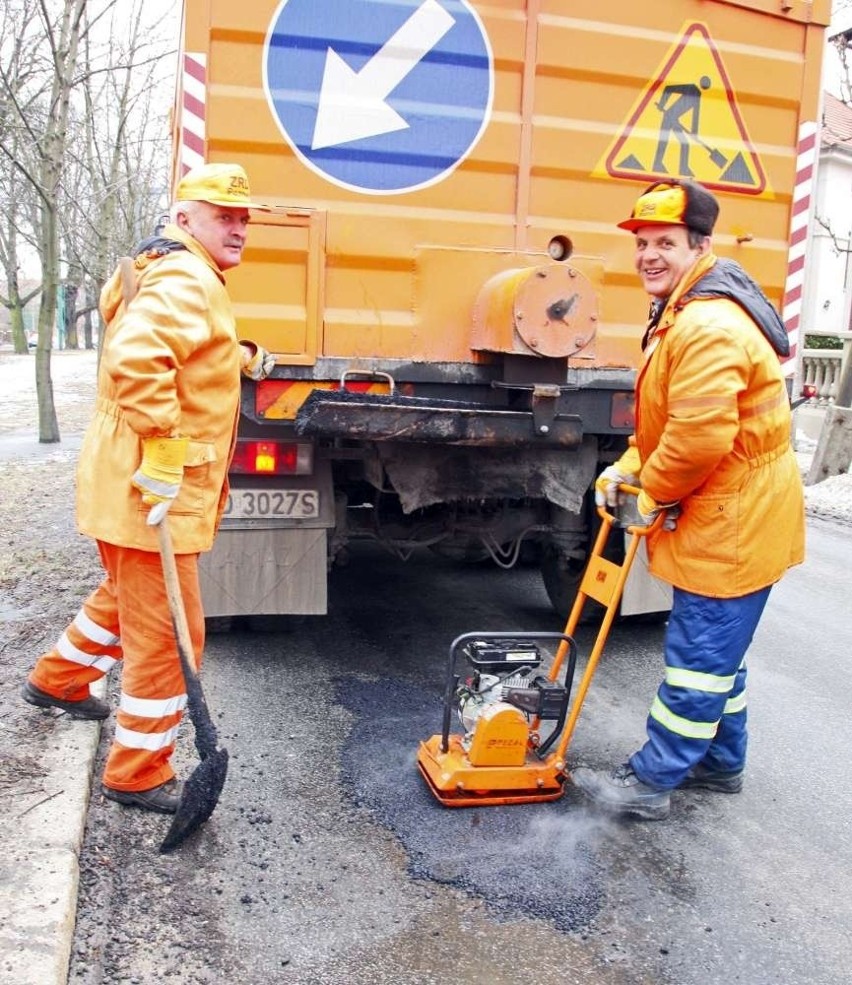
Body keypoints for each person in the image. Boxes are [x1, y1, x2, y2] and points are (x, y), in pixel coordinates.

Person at [21, 162, 275, 814]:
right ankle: (137, 771)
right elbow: (135, 355)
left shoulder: (172, 265)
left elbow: (179, 348)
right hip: (149, 485)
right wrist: (163, 445)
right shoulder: (189, 278)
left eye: (245, 217)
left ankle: (58, 680)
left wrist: (237, 356)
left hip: (123, 483)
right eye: (226, 216)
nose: (240, 228)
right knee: (168, 631)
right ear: (185, 216)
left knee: (126, 597)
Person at [572, 178, 805, 820]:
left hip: (734, 517)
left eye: (665, 243)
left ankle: (651, 781)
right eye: (643, 242)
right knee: (715, 655)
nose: (649, 254)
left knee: (698, 659)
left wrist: (651, 492)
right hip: (727, 508)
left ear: (698, 245)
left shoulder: (705, 324)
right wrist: (625, 468)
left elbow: (700, 439)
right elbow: (669, 423)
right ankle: (720, 764)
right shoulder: (682, 311)